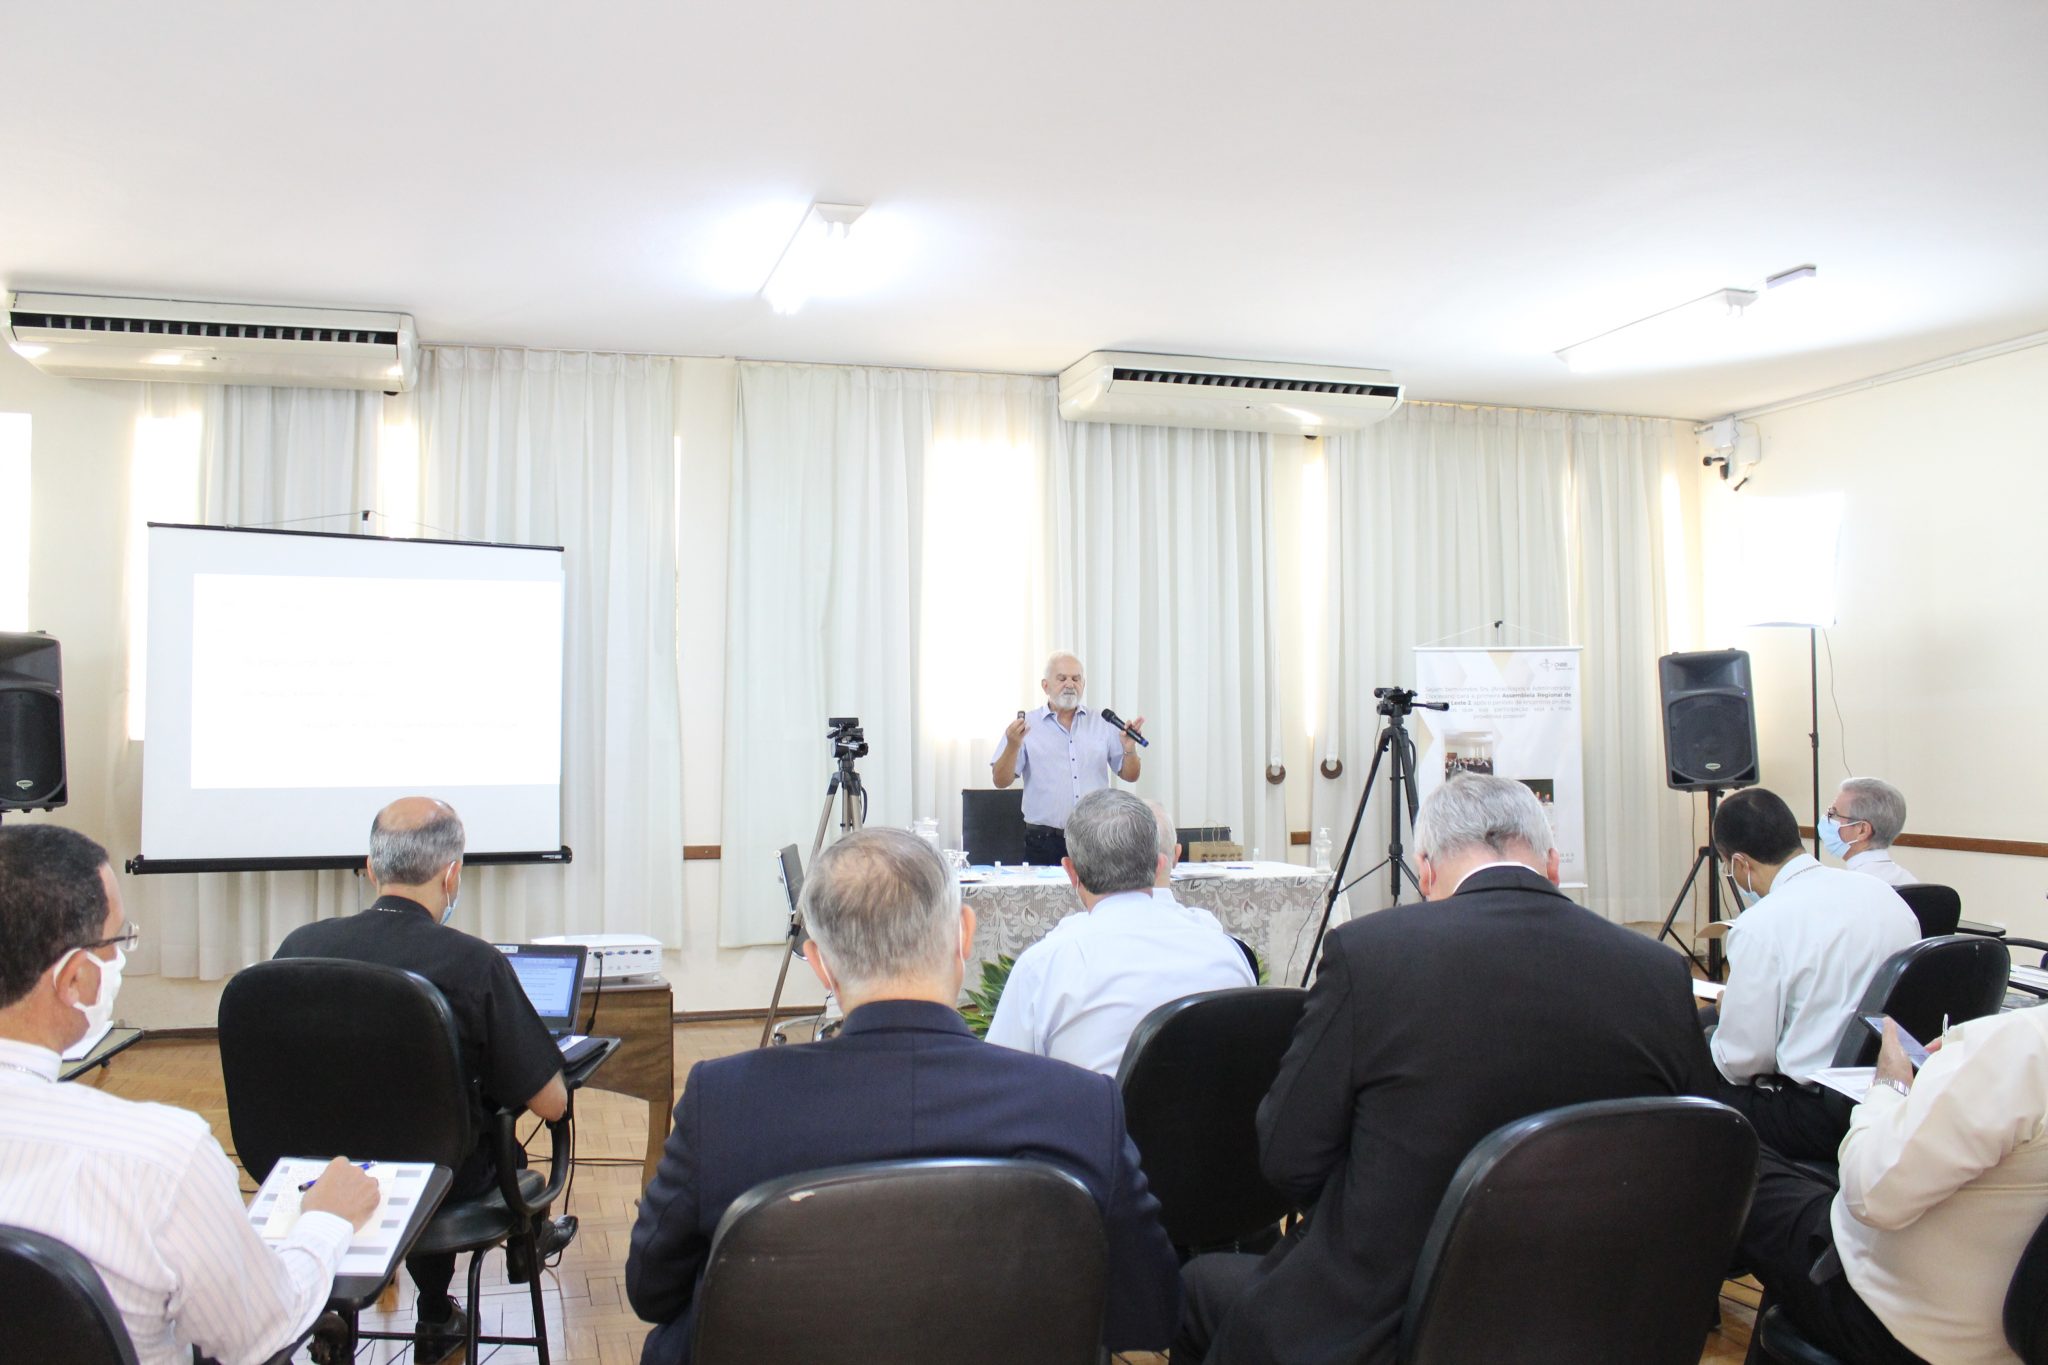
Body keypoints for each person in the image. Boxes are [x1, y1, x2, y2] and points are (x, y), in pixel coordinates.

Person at [1175, 775, 1718, 1365]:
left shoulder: (1369, 955)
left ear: (1426, 871)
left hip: (1395, 1319)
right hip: (1603, 1318)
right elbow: (1701, 1156)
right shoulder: (1658, 972)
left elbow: (1289, 1156)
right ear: (1552, 864)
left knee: (1201, 1285)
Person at [625, 828, 1179, 1364]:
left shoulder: (724, 1103)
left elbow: (652, 1290)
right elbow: (1148, 1312)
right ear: (964, 935)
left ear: (819, 964)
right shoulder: (1081, 1106)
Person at [0, 824, 380, 1365]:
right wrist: (326, 1220)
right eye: (117, 941)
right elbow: (259, 1332)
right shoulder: (159, 1158)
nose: (121, 957)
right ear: (76, 979)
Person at [273, 797, 573, 1363]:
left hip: (321, 1175)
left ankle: (399, 1311)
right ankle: (446, 1308)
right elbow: (552, 1103)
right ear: (451, 874)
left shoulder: (298, 949)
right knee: (460, 1139)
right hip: (442, 1184)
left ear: (370, 869)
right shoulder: (473, 964)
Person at [1738, 1008, 2048, 1364]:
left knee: (1727, 1153)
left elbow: (1870, 1196)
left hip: (1892, 1320)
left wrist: (1890, 1087)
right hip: (2003, 1345)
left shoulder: (2023, 1045)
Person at [1709, 786, 1919, 1161]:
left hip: (1816, 1115)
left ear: (1740, 863)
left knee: (1693, 1062)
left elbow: (1742, 1063)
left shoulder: (1760, 925)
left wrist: (1730, 1016)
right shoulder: (1885, 896)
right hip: (1893, 1091)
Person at [986, 790, 1254, 1076]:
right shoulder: (1228, 954)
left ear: (1071, 872)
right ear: (1159, 865)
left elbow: (999, 1079)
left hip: (1097, 1106)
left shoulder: (1044, 967)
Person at [991, 651, 1144, 864]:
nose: (1070, 684)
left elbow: (1130, 775)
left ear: (1083, 684)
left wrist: (1129, 749)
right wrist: (1012, 745)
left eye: (1076, 678)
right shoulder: (1026, 725)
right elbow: (1000, 780)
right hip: (1044, 841)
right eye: (1062, 678)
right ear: (1045, 686)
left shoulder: (1102, 722)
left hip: (1095, 838)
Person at [1822, 776, 1920, 886]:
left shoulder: (1847, 886)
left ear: (1862, 830)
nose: (1826, 818)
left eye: (1833, 814)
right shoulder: (1910, 881)